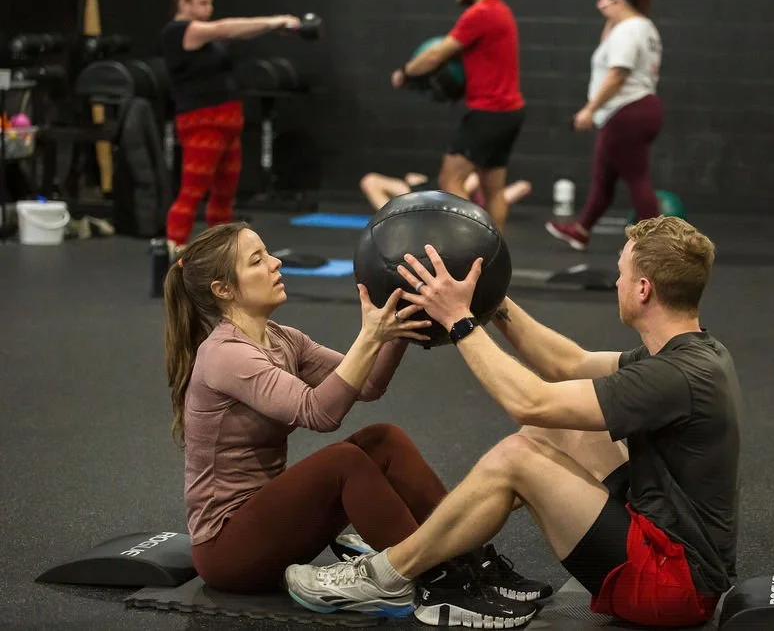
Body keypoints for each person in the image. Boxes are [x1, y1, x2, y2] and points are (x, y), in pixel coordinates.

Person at [286, 216, 742, 629]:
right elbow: (569, 363)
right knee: (557, 431)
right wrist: (490, 297)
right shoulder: (691, 352)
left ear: (643, 289)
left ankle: (386, 574)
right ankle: (457, 556)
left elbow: (530, 401)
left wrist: (459, 319)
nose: (616, 284)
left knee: (516, 458)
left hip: (671, 586)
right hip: (673, 554)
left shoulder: (674, 376)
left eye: (622, 274)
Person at [164, 222, 548, 620]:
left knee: (384, 439)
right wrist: (370, 336)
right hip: (228, 550)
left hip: (272, 526)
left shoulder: (282, 339)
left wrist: (400, 324)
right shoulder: (226, 355)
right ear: (222, 290)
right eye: (257, 260)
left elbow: (366, 385)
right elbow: (319, 412)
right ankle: (438, 580)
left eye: (268, 252)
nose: (276, 263)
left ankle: (469, 560)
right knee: (342, 463)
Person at [160, 0, 301, 256]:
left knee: (224, 198)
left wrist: (272, 28)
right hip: (202, 124)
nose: (208, 10)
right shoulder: (180, 32)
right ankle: (172, 257)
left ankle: (220, 259)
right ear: (184, 4)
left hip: (227, 124)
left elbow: (234, 31)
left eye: (209, 3)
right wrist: (275, 22)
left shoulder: (204, 35)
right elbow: (226, 28)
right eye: (201, 3)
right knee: (191, 193)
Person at [391, 0, 525, 233]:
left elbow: (436, 54)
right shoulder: (501, 10)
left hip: (488, 113)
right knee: (493, 191)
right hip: (509, 113)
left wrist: (404, 73)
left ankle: (477, 241)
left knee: (450, 180)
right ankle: (496, 259)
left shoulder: (481, 12)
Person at [546, 0, 664, 252]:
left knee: (637, 178)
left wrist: (590, 109)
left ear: (618, 1)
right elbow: (607, 50)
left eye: (603, 0)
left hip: (627, 109)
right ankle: (581, 230)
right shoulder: (643, 27)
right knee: (604, 176)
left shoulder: (628, 29)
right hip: (639, 108)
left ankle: (657, 245)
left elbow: (617, 73)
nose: (599, 5)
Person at [359, 170, 532, 212]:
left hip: (445, 202)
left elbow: (523, 187)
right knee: (370, 180)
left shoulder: (478, 195)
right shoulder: (467, 178)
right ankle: (388, 217)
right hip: (429, 191)